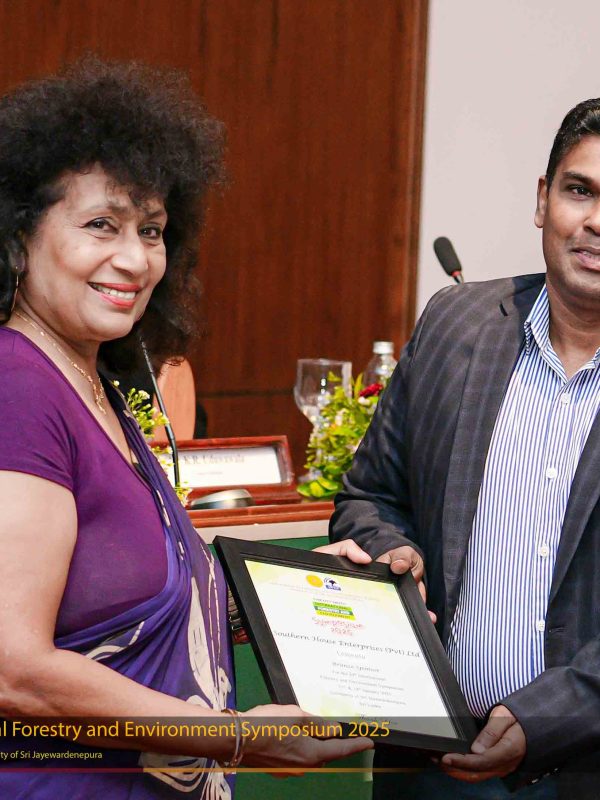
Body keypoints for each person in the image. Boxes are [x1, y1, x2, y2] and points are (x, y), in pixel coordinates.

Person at [0, 58, 371, 799]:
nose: (135, 259)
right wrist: (238, 737)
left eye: (152, 230)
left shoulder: (95, 387)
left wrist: (297, 589)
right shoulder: (18, 387)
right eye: (101, 225)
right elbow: (15, 669)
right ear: (18, 235)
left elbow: (127, 598)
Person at [330, 98, 600, 800]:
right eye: (580, 190)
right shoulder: (457, 322)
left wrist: (548, 716)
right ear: (542, 200)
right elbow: (370, 495)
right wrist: (394, 552)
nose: (596, 221)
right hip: (430, 762)